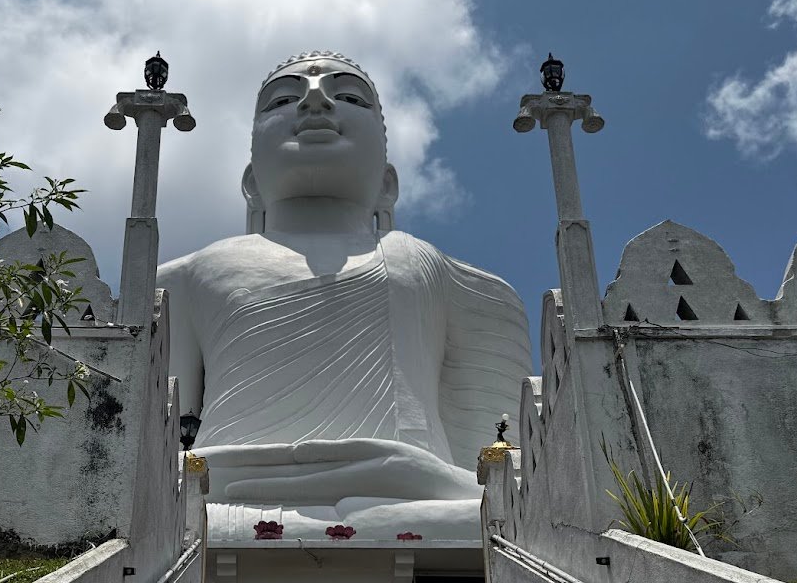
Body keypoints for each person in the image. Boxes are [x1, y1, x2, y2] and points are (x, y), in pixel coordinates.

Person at [157, 52, 532, 539]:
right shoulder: (186, 277)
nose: (316, 102)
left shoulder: (435, 270)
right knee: (191, 521)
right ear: (251, 184)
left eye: (349, 96)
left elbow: (497, 449)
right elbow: (165, 436)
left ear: (388, 183)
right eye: (285, 99)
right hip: (228, 492)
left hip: (414, 493)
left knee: (464, 520)